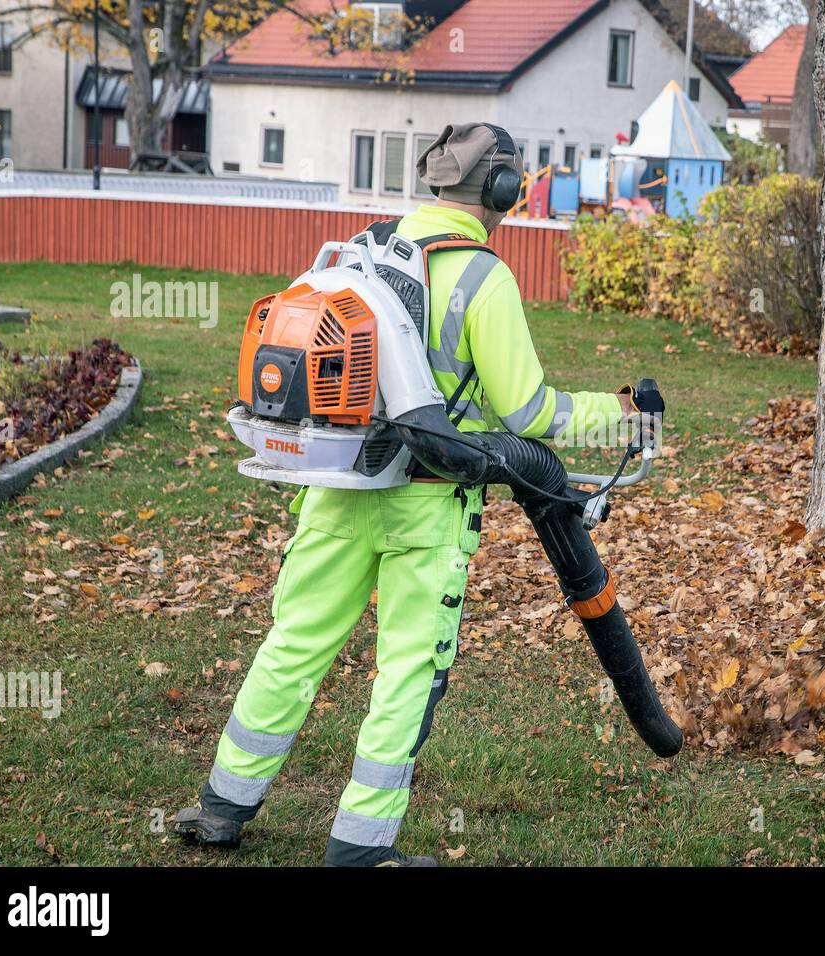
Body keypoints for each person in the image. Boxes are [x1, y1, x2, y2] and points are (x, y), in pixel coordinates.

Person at [175, 123, 644, 866]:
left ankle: (221, 808)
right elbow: (528, 416)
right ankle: (361, 851)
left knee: (293, 646)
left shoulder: (357, 249)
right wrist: (615, 413)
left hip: (335, 488)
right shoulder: (482, 275)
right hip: (427, 505)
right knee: (406, 673)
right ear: (501, 189)